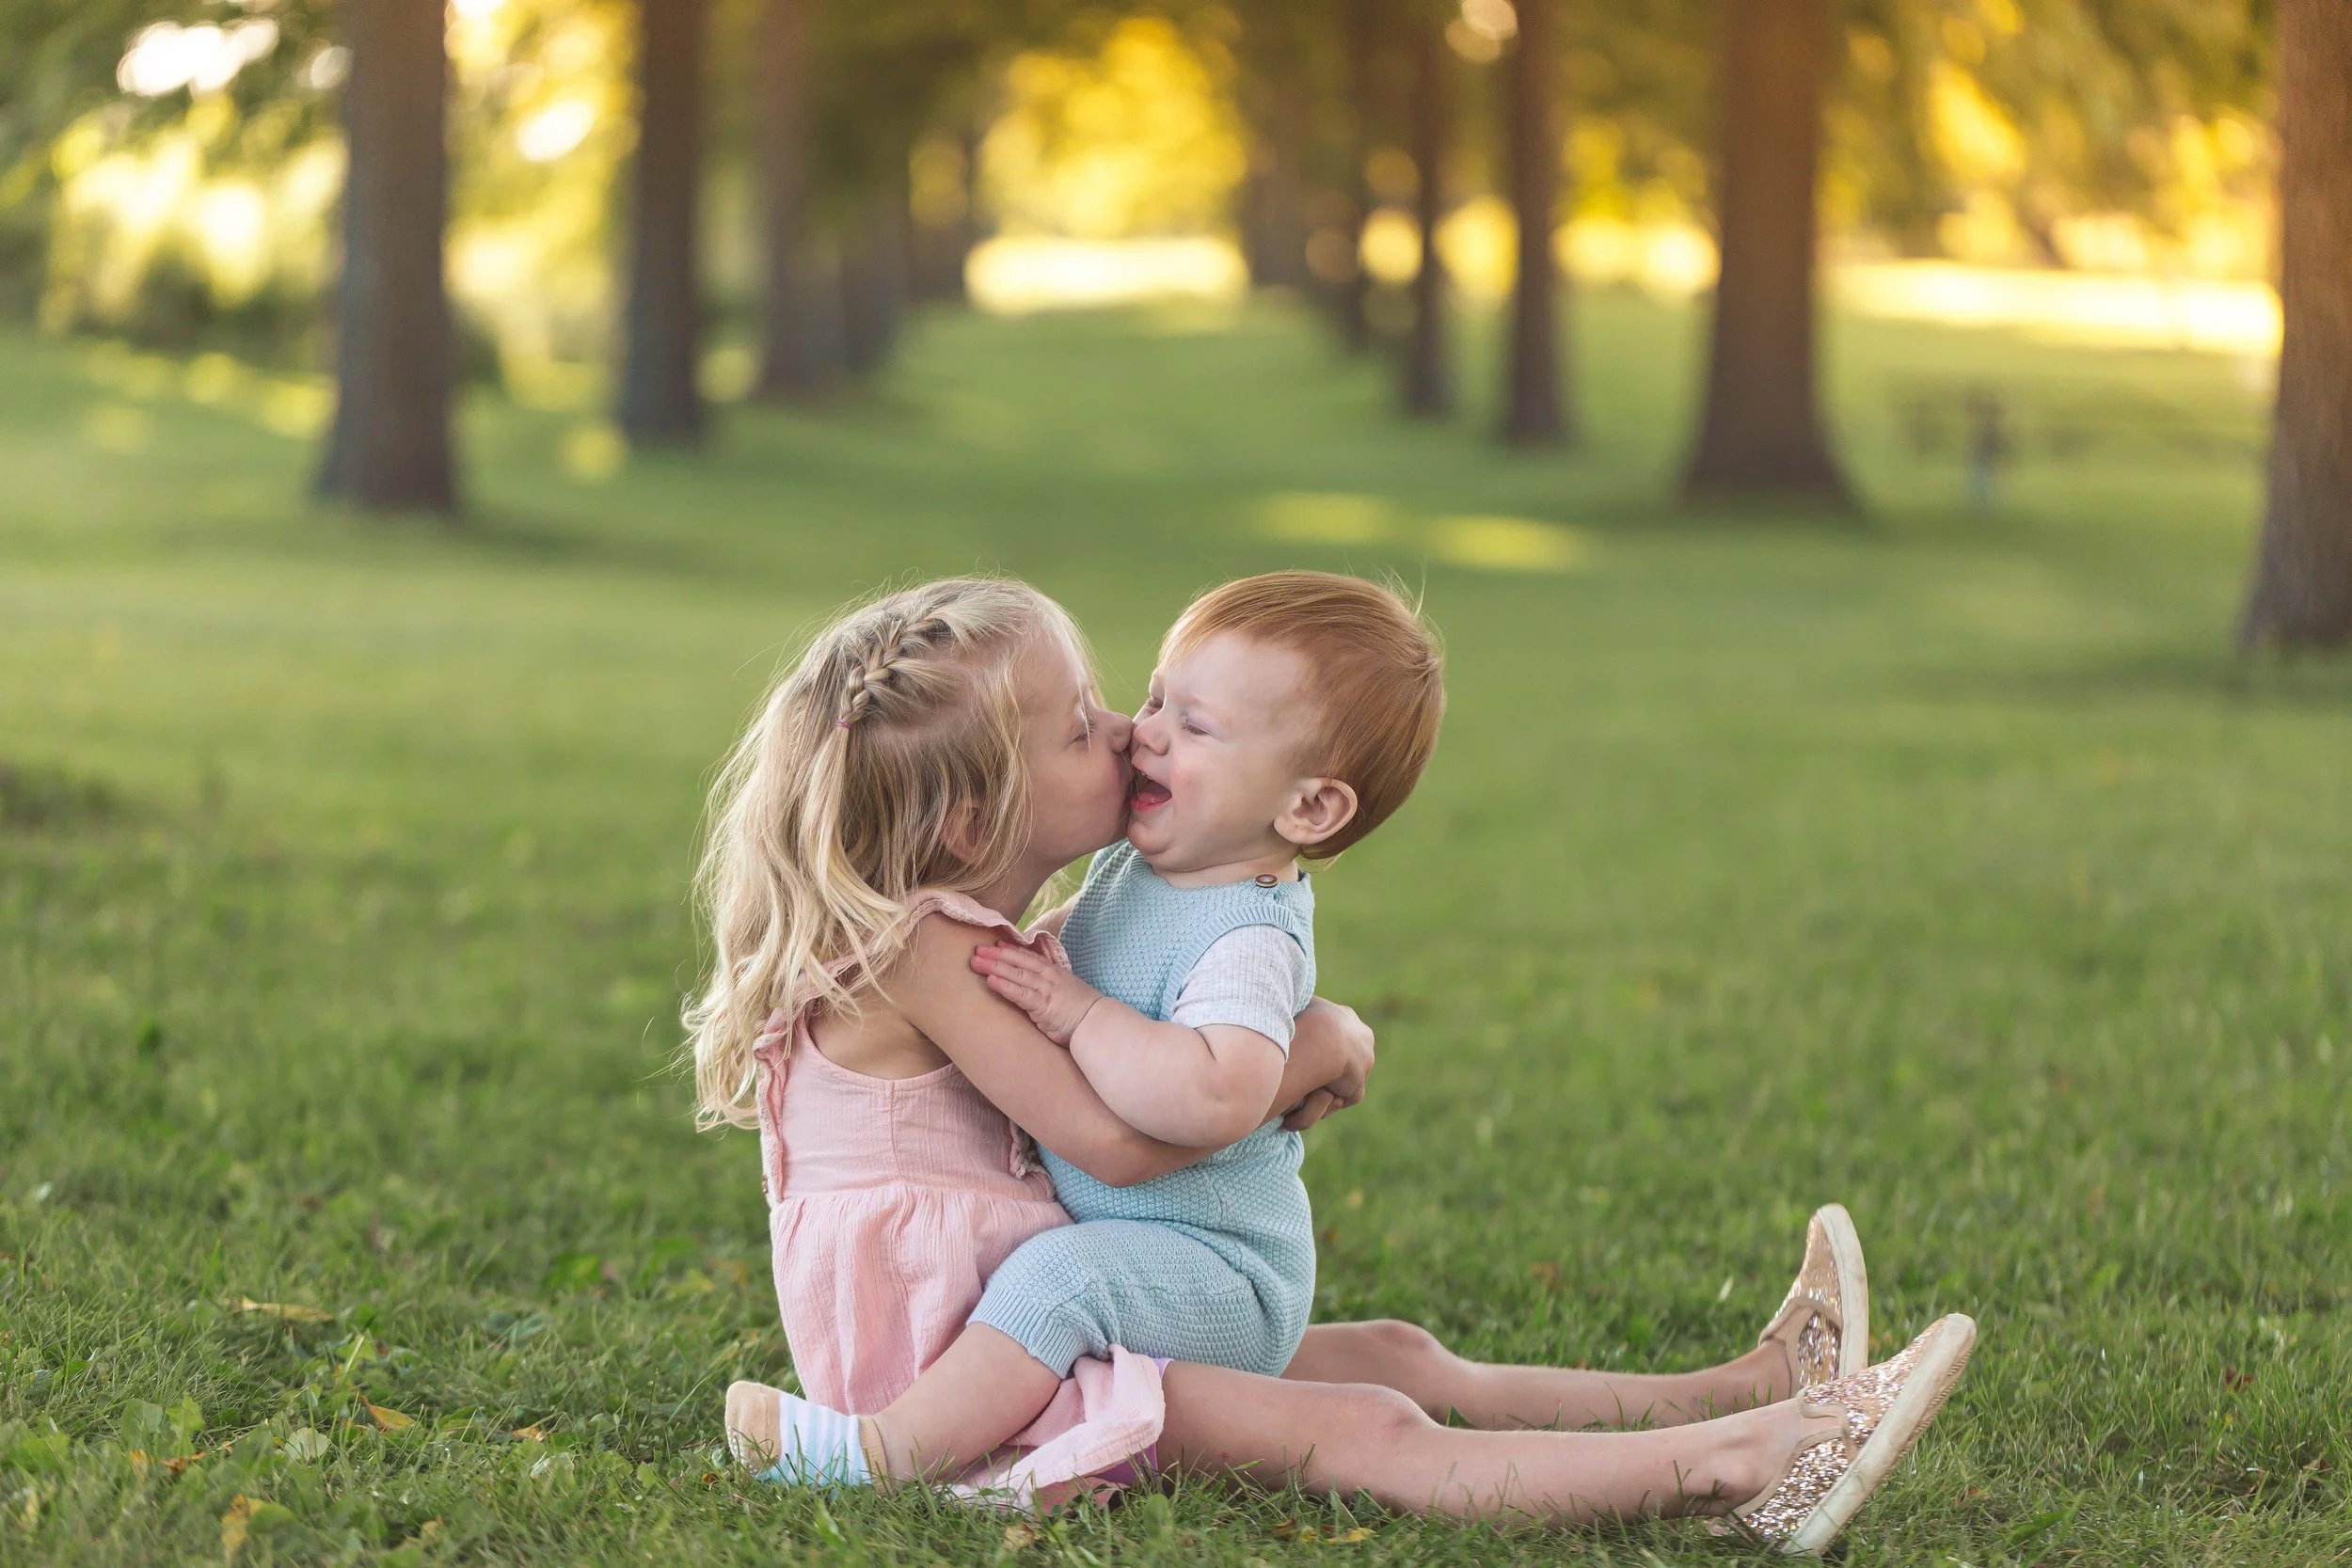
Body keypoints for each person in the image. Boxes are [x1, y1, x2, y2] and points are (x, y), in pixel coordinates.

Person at [689, 575, 1974, 1548]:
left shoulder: (977, 927)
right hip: (970, 1368)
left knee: (1400, 1355)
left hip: (1026, 1319)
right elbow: (1119, 1139)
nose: (1129, 730)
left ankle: (1744, 1382)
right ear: (976, 818)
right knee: (1367, 1430)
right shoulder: (922, 952)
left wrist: (1295, 1035)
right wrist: (1315, 1038)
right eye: (1083, 727)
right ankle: (1751, 1461)